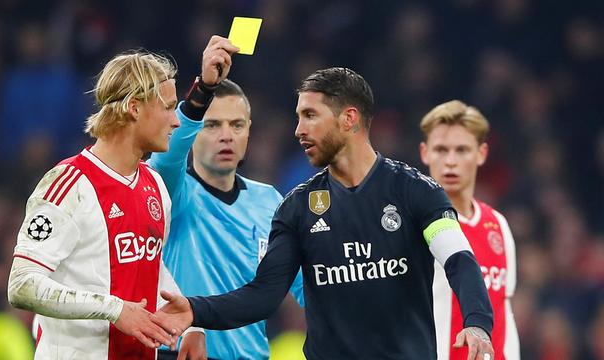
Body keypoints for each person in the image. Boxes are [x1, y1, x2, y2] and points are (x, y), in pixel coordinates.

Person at [153, 67, 496, 360]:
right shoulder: (296, 208)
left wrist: (477, 321)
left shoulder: (416, 192)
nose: (298, 130)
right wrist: (197, 310)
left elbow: (458, 258)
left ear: (349, 119)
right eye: (299, 117)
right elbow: (264, 294)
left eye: (310, 116)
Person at [6, 35, 238, 359]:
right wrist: (114, 309)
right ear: (134, 108)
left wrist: (190, 326)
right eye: (168, 108)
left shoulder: (154, 186)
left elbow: (149, 267)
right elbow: (22, 285)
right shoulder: (69, 184)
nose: (175, 120)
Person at [148, 78, 304, 360]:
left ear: (248, 131)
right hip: (180, 353)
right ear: (192, 131)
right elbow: (166, 159)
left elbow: (306, 286)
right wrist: (202, 92)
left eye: (236, 125)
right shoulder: (170, 192)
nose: (226, 136)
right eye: (212, 125)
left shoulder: (270, 201)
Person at [419, 100, 520, 359]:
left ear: (481, 153)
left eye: (462, 150)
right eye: (441, 149)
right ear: (425, 152)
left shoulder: (498, 224)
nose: (450, 161)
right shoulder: (412, 226)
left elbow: (503, 311)